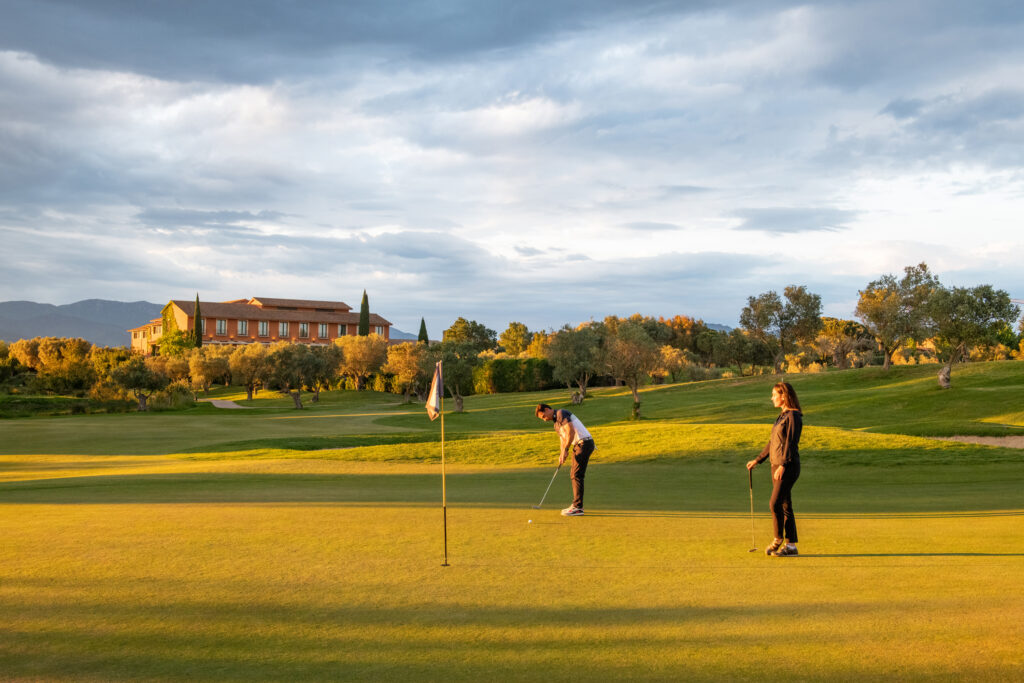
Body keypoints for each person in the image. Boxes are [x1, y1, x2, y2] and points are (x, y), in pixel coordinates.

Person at [746, 382, 803, 557]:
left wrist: (784, 466)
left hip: (788, 466)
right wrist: (757, 460)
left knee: (774, 503)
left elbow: (791, 444)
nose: (772, 398)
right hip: (776, 465)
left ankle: (778, 539)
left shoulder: (793, 416)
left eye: (774, 394)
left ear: (784, 396)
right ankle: (791, 546)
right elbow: (773, 443)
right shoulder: (782, 416)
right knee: (785, 505)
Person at [535, 403, 595, 516]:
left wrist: (567, 449)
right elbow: (563, 440)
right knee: (574, 474)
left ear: (547, 409)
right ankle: (576, 505)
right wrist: (562, 454)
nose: (544, 420)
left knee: (576, 475)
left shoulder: (560, 413)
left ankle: (578, 507)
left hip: (584, 443)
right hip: (579, 445)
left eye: (543, 416)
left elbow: (571, 431)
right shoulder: (556, 425)